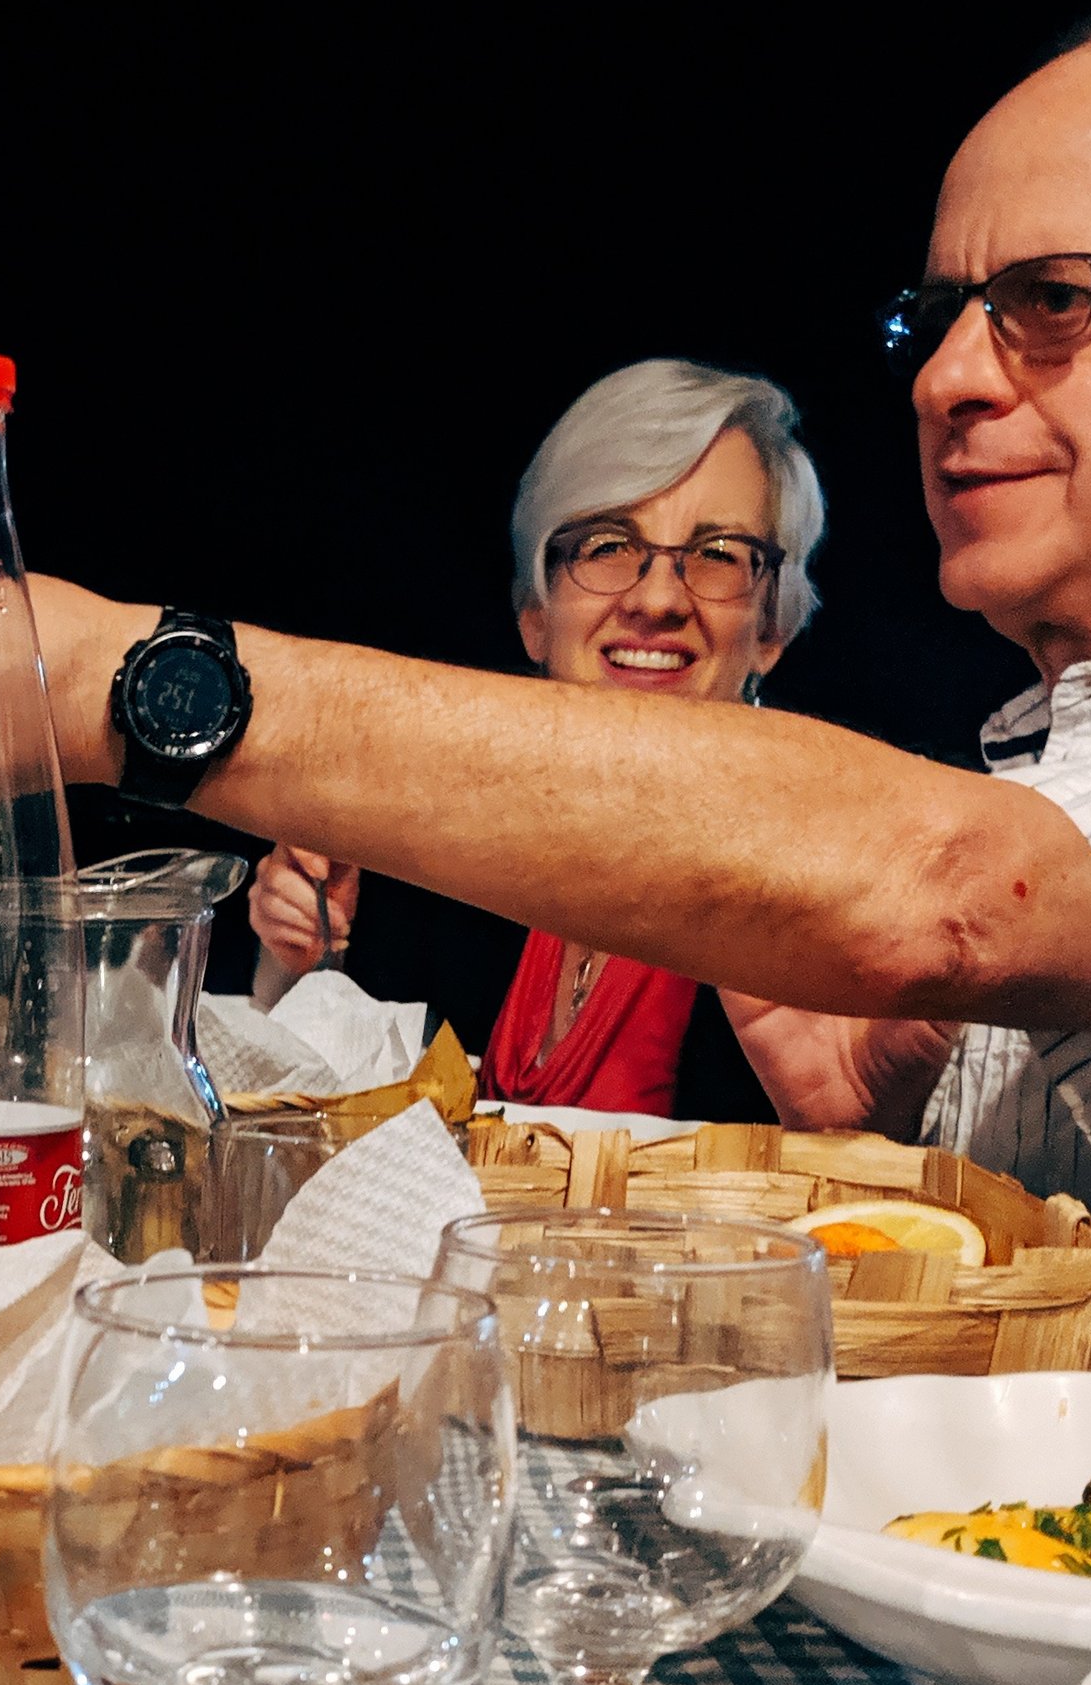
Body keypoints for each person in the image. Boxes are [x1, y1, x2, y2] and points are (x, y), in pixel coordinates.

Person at [0, 13, 1091, 1372]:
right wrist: (873, 1120)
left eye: (1058, 299)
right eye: (933, 319)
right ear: (531, 603)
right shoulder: (1054, 770)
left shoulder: (986, 833)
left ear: (781, 616)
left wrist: (107, 679)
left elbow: (950, 888)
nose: (947, 377)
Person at [251, 361, 818, 1118]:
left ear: (771, 627)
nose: (656, 598)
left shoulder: (813, 883)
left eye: (717, 555)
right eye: (608, 544)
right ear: (535, 614)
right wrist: (300, 966)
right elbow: (323, 1137)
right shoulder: (434, 862)